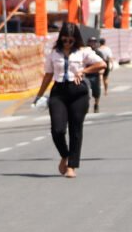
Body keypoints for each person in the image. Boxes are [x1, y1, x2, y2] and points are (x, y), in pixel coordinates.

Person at [32, 21, 106, 179]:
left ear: (76, 39)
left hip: (78, 92)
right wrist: (39, 95)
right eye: (64, 40)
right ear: (61, 38)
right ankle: (64, 155)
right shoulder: (54, 53)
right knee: (57, 130)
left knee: (76, 129)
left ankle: (72, 166)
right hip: (59, 91)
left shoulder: (83, 51)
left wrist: (84, 70)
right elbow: (48, 75)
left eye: (71, 40)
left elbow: (102, 64)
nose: (67, 43)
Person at [85, 37, 112, 113]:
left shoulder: (98, 53)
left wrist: (101, 73)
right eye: (91, 42)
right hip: (86, 75)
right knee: (85, 92)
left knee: (96, 92)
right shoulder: (85, 52)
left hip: (95, 75)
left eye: (94, 42)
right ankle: (86, 106)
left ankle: (96, 104)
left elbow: (103, 63)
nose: (92, 44)